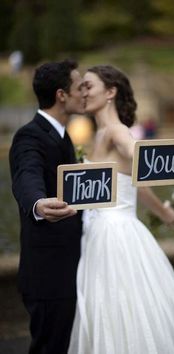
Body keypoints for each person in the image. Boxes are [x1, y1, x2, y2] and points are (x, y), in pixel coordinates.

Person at [68, 65, 174, 354]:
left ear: (110, 92)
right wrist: (164, 213)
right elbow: (135, 184)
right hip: (94, 234)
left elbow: (138, 154)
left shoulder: (117, 133)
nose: (83, 92)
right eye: (82, 87)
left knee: (124, 310)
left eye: (88, 86)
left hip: (116, 237)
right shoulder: (96, 135)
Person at [9, 59, 84, 354]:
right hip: (48, 274)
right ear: (61, 95)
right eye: (79, 87)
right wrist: (38, 203)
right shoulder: (29, 136)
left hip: (68, 267)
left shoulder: (64, 136)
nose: (84, 93)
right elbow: (26, 175)